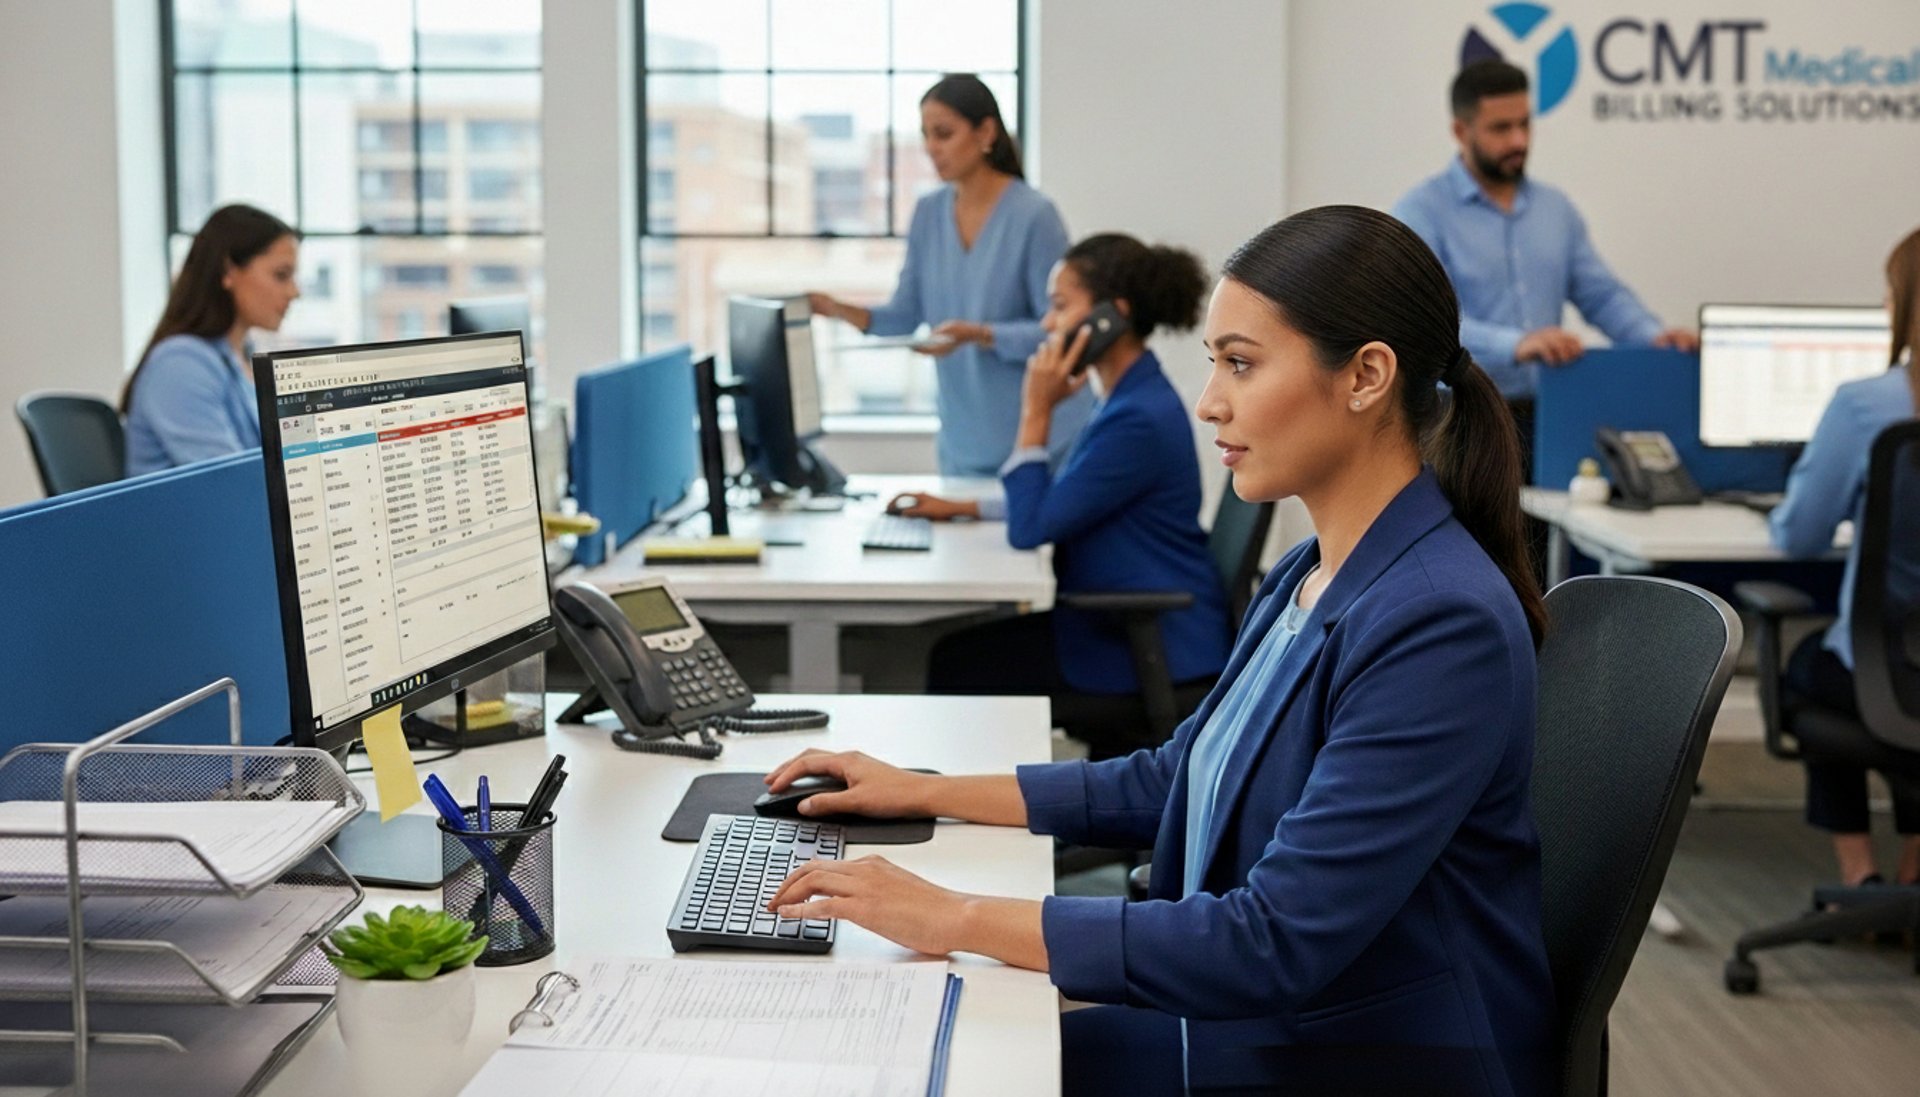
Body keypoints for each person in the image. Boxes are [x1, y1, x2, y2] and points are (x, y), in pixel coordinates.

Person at [764, 206, 1556, 1096]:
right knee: (935, 1049)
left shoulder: (1438, 622)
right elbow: (1170, 775)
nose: (1210, 400)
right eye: (1215, 360)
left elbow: (1271, 940)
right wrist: (922, 790)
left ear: (1368, 375)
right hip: (1259, 1027)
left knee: (941, 1066)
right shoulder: (1313, 569)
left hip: (1366, 1060)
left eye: (1242, 363)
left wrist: (953, 915)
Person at [903, 234, 1230, 737]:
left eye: (1059, 306)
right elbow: (1068, 498)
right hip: (1131, 625)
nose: (1047, 324)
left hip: (1146, 644)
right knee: (957, 653)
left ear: (1110, 316)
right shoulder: (1130, 395)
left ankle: (959, 807)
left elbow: (1032, 527)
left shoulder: (1135, 418)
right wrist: (967, 505)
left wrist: (1037, 409)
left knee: (954, 662)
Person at [808, 74, 1093, 477]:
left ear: (986, 132)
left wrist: (980, 335)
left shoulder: (1034, 215)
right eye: (925, 135)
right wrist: (836, 309)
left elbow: (1060, 332)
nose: (930, 148)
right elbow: (904, 317)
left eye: (943, 133)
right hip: (965, 446)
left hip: (1047, 440)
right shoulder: (928, 213)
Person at [1392, 59, 1697, 423]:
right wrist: (1515, 344)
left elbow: (1602, 296)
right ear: (1461, 131)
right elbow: (1421, 323)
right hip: (1454, 417)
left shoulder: (1555, 209)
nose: (1519, 140)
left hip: (1544, 411)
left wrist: (1654, 339)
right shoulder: (1422, 212)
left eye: (1524, 124)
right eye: (1501, 128)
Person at [1768, 226, 1920, 888]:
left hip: (1886, 675)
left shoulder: (1866, 406)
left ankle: (1858, 880)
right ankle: (1913, 871)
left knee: (1812, 662)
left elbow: (1799, 536)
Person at [123, 204, 301, 475]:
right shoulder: (181, 364)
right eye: (281, 275)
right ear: (228, 271)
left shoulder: (240, 356)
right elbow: (232, 483)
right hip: (191, 517)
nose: (294, 292)